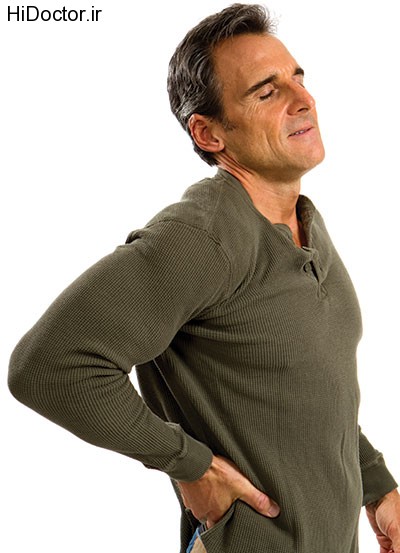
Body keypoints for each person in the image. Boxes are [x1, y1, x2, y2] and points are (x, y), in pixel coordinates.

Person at [8, 4, 399, 553]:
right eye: (266, 92)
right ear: (208, 132)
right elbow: (48, 366)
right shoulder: (203, 237)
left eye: (298, 78)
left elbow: (305, 391)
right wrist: (190, 464)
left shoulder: (300, 221)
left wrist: (376, 486)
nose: (303, 99)